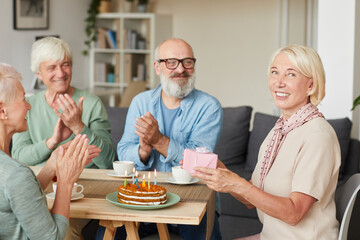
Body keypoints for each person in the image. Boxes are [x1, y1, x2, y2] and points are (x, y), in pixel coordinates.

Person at [193, 44, 341, 240]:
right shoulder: (279, 130)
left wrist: (236, 184)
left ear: (311, 86)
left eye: (291, 75)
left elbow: (294, 213)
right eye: (274, 72)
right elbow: (251, 199)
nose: (279, 82)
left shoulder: (318, 136)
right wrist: (223, 175)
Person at [96, 38, 223, 239]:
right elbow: (124, 150)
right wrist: (143, 151)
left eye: (187, 62)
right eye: (171, 62)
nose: (180, 69)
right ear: (157, 67)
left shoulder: (209, 106)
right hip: (144, 199)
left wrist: (158, 141)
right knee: (106, 234)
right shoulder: (141, 102)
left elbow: (199, 162)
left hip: (192, 201)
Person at [11, 36, 116, 239]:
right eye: (51, 68)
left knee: (65, 231)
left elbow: (108, 160)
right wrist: (52, 141)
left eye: (65, 65)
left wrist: (79, 126)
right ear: (38, 74)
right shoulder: (29, 106)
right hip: (38, 188)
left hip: (83, 190)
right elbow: (19, 157)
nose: (60, 73)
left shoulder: (91, 103)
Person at [0, 63, 90, 239]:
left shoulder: (11, 173)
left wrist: (51, 166)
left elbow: (18, 196)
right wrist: (65, 181)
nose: (29, 106)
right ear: (2, 110)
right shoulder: (16, 174)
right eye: (23, 99)